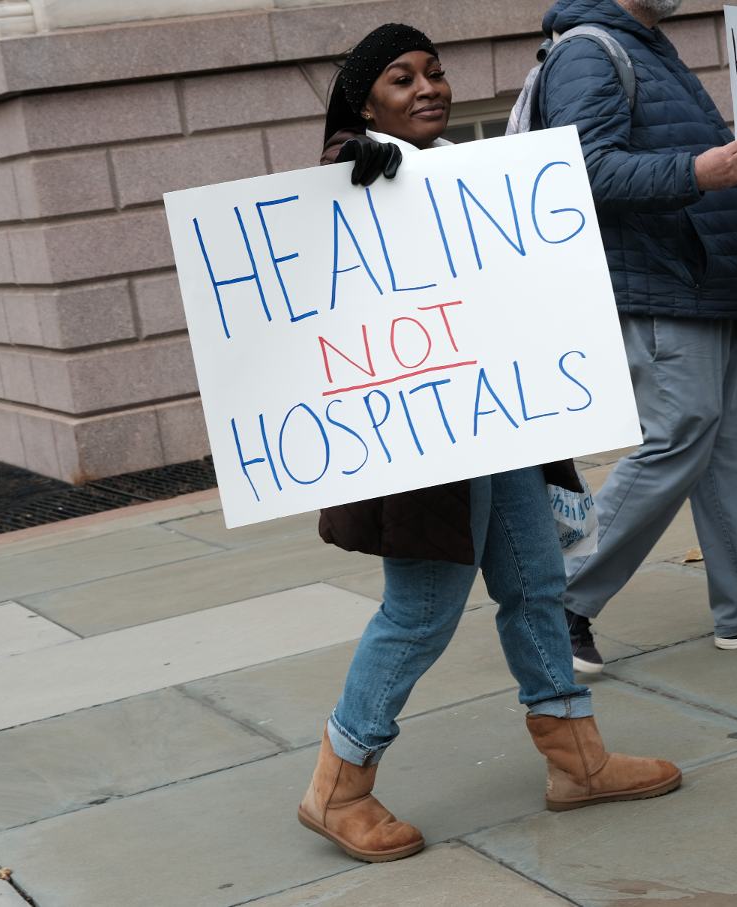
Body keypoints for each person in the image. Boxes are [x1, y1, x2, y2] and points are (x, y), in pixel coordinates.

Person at [298, 24, 681, 864]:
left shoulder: (458, 172)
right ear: (366, 104)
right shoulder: (359, 168)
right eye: (401, 80)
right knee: (423, 609)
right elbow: (330, 216)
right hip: (429, 445)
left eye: (435, 72)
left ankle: (575, 758)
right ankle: (339, 782)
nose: (427, 87)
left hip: (495, 422)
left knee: (537, 581)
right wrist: (362, 168)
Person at [534, 0, 737, 673]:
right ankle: (558, 603)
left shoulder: (644, 44)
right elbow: (588, 170)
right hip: (662, 283)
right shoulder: (590, 51)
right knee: (677, 437)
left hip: (710, 279)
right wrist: (702, 171)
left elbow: (693, 154)